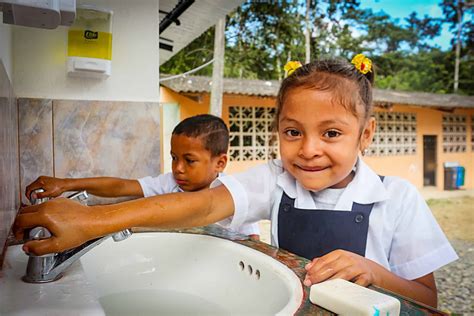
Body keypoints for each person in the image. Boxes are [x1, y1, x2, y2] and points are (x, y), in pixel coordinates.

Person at [15, 56, 457, 308]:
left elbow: (428, 300)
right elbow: (204, 206)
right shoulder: (278, 180)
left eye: (332, 133)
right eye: (292, 131)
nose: (308, 149)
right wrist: (95, 221)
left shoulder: (397, 199)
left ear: (366, 134)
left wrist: (374, 273)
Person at [24, 114, 260, 239]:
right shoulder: (169, 183)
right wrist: (65, 184)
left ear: (220, 162)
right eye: (174, 157)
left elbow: (254, 244)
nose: (178, 168)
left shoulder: (236, 196)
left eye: (189, 161)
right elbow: (119, 187)